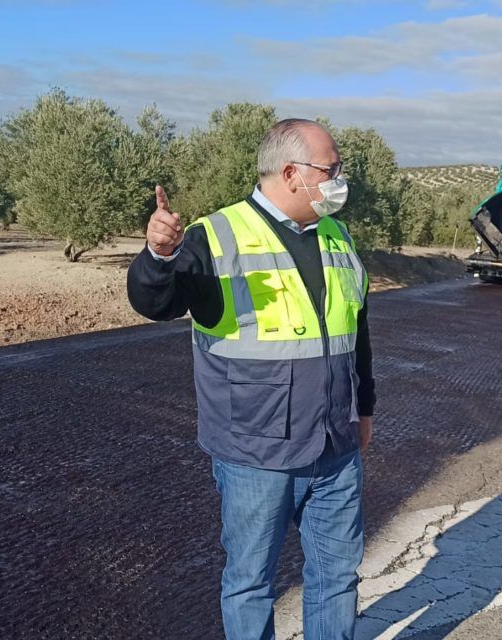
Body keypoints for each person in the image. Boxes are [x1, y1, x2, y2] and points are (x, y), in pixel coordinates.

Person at [127, 119, 375, 640]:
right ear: (291, 173)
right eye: (331, 170)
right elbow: (156, 303)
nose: (339, 179)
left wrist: (365, 408)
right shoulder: (215, 236)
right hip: (254, 450)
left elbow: (357, 328)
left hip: (334, 442)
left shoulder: (337, 235)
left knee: (337, 577)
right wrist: (159, 256)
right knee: (250, 582)